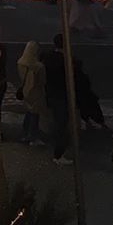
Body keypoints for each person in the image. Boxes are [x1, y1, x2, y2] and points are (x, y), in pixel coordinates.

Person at [40, 34, 71, 165]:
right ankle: (58, 154)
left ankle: (57, 150)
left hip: (50, 93)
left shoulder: (47, 57)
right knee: (61, 124)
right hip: (60, 95)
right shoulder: (65, 60)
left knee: (57, 122)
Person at [16, 40, 47, 145]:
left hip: (25, 89)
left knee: (29, 112)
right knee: (35, 114)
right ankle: (32, 136)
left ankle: (26, 133)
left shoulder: (21, 62)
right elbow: (42, 81)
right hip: (35, 91)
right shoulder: (38, 66)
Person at [73, 52, 106, 130]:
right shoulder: (81, 75)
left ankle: (91, 123)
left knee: (87, 110)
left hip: (82, 95)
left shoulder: (76, 75)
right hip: (85, 95)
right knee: (93, 109)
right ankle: (98, 123)